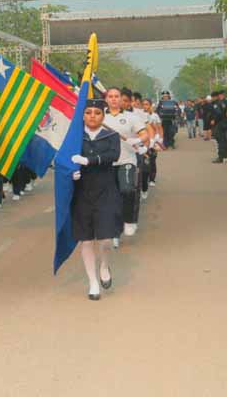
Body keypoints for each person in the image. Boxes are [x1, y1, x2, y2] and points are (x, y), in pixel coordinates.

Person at [71, 98, 122, 301]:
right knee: (85, 239)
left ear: (103, 115)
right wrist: (70, 172)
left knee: (106, 238)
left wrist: (89, 160)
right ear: (83, 115)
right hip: (81, 192)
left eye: (97, 113)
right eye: (88, 112)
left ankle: (104, 265)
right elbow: (65, 158)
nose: (92, 116)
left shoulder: (111, 135)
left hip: (106, 190)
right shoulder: (75, 136)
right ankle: (92, 282)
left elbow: (114, 155)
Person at [103, 87, 148, 239]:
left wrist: (137, 140)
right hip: (107, 162)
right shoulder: (99, 116)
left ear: (121, 99)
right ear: (106, 99)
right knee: (109, 197)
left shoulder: (131, 117)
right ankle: (113, 228)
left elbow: (145, 134)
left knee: (127, 190)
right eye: (110, 96)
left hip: (127, 160)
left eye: (116, 96)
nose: (114, 99)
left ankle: (128, 220)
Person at [209, 90, 227, 163]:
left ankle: (221, 156)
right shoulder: (224, 102)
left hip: (219, 124)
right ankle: (225, 154)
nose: (212, 99)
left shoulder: (216, 104)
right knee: (224, 139)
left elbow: (218, 113)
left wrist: (214, 120)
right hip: (224, 122)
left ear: (215, 97)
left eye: (212, 97)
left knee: (220, 140)